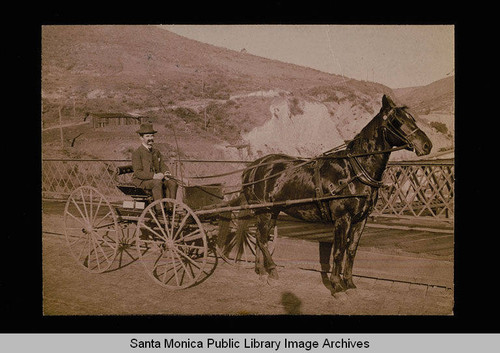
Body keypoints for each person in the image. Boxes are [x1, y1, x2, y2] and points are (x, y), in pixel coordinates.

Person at [131, 122, 178, 211]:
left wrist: (166, 173)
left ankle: (171, 207)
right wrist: (154, 176)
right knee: (157, 182)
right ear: (141, 138)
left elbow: (162, 165)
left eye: (152, 136)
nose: (151, 138)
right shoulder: (137, 153)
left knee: (172, 182)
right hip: (142, 181)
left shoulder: (156, 152)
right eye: (147, 136)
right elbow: (138, 173)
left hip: (156, 179)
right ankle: (159, 209)